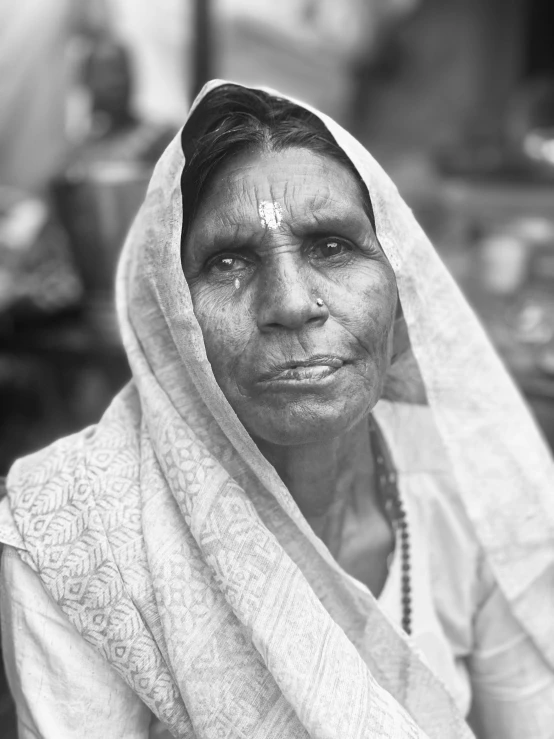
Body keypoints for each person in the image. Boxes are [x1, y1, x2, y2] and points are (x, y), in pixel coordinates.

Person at [1, 82, 553, 739]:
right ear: (175, 324)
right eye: (228, 262)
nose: (291, 302)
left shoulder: (466, 485)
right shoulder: (77, 532)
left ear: (403, 297)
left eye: (331, 246)